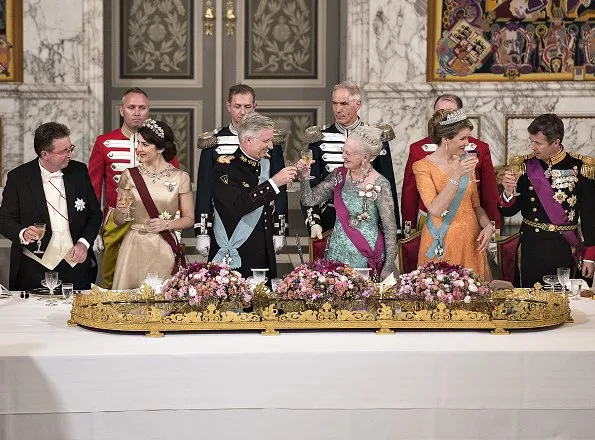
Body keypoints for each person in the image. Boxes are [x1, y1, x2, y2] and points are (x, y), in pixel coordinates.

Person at [88, 87, 179, 289]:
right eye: (131, 107)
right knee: (112, 279)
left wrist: (174, 222)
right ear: (122, 110)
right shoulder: (104, 142)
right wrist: (93, 227)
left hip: (154, 219)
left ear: (148, 111)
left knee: (158, 279)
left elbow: (174, 183)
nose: (137, 112)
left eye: (142, 107)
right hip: (117, 219)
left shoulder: (161, 142)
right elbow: (94, 188)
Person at [0, 122, 102, 290]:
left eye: (71, 148)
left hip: (75, 265)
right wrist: (22, 232)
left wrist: (84, 243)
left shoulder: (79, 171)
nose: (70, 154)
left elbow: (94, 214)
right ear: (45, 154)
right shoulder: (18, 178)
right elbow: (4, 220)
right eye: (64, 151)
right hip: (34, 267)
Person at [499, 113, 595, 287]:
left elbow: (590, 215)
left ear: (556, 142)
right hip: (531, 248)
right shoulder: (525, 166)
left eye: (538, 143)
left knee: (565, 303)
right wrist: (508, 191)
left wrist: (590, 256)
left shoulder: (580, 168)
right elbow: (509, 211)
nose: (533, 147)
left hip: (564, 248)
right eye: (532, 141)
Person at [195, 84, 288, 257]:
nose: (243, 112)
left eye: (247, 107)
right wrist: (202, 231)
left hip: (261, 223)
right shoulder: (214, 142)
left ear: (255, 107)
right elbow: (205, 189)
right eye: (237, 106)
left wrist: (279, 228)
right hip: (223, 222)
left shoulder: (270, 140)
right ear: (228, 106)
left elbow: (279, 187)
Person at [302, 81, 399, 240]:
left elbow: (387, 185)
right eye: (335, 103)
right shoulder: (318, 139)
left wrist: (393, 229)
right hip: (330, 221)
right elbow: (311, 185)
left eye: (344, 104)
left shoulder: (376, 137)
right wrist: (314, 222)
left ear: (358, 104)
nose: (338, 109)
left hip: (368, 221)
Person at [299, 126, 397, 281]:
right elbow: (309, 200)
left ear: (365, 157)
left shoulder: (381, 184)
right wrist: (305, 178)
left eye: (348, 153)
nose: (343, 156)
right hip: (337, 252)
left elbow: (389, 228)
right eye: (343, 151)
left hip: (366, 254)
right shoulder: (338, 176)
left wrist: (388, 265)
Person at [208, 112, 297, 280]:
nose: (271, 146)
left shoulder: (266, 164)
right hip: (238, 252)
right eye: (266, 141)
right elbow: (239, 205)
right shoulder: (225, 168)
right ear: (249, 140)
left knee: (264, 304)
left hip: (263, 250)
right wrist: (273, 183)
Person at [112, 120, 194, 290]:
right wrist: (121, 210)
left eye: (145, 144)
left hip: (164, 246)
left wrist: (167, 224)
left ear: (161, 148)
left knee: (163, 304)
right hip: (134, 247)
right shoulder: (129, 175)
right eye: (138, 144)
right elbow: (119, 221)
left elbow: (189, 218)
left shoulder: (180, 177)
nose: (139, 149)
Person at [402, 94, 500, 235]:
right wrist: (409, 228)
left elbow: (488, 193)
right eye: (440, 113)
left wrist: (492, 226)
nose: (446, 119)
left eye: (450, 114)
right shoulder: (417, 149)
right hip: (431, 223)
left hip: (468, 223)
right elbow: (409, 194)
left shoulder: (480, 148)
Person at [413, 109, 493, 280]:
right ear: (446, 139)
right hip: (442, 239)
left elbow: (475, 205)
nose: (468, 143)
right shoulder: (422, 167)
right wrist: (456, 174)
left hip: (470, 241)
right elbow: (435, 209)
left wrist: (487, 225)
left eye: (468, 137)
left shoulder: (465, 161)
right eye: (462, 138)